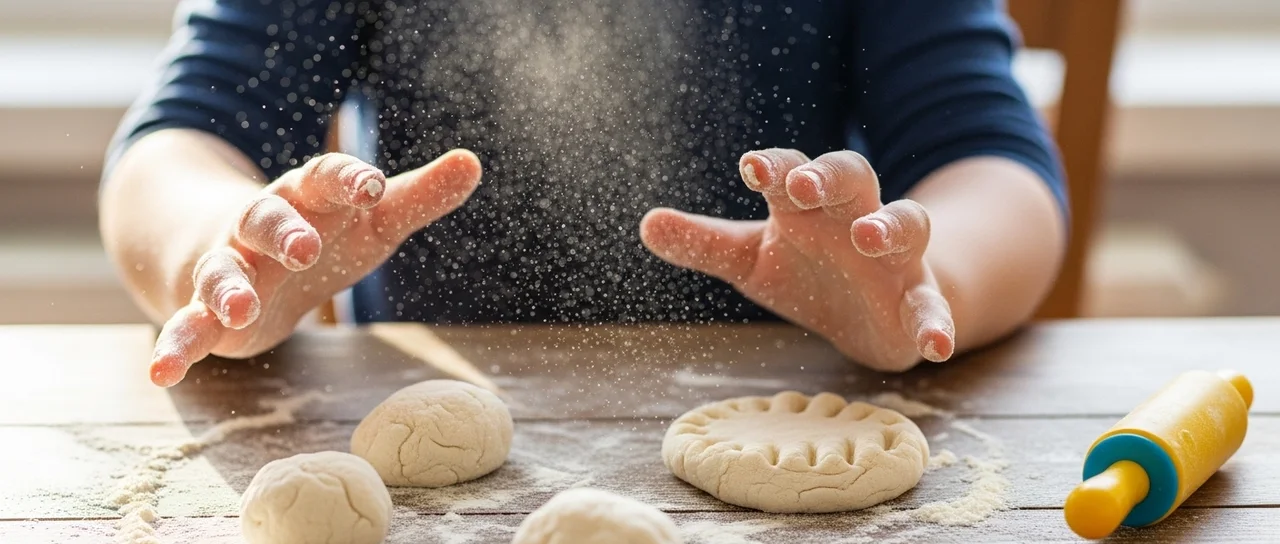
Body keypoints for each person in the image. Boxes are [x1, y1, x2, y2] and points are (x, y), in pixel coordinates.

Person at [100, 0, 1067, 387]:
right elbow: (181, 141)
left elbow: (995, 165)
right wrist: (217, 252)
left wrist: (923, 280)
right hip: (428, 434)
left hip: (800, 398)